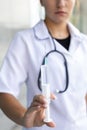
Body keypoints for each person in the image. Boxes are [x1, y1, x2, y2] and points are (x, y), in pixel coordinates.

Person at [0, 0, 87, 130]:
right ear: (41, 1)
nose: (61, 3)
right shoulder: (25, 41)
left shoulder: (84, 43)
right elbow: (4, 91)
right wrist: (25, 118)